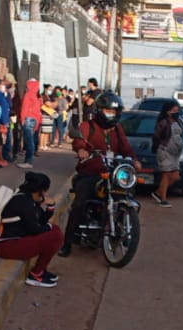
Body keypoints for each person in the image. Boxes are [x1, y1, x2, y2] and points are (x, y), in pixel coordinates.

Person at [59, 91, 139, 257]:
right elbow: (79, 140)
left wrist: (134, 159)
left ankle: (123, 229)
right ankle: (66, 244)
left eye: (114, 112)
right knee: (79, 204)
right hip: (90, 173)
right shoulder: (88, 126)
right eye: (108, 111)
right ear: (99, 110)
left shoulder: (117, 129)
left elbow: (125, 147)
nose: (111, 114)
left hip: (112, 173)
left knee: (129, 195)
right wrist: (81, 149)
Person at [0, 171, 62, 288]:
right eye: (45, 190)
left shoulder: (27, 198)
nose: (46, 193)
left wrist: (50, 207)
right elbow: (34, 229)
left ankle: (41, 270)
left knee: (55, 230)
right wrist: (48, 227)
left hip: (13, 241)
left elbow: (40, 221)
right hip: (7, 246)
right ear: (40, 190)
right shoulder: (24, 203)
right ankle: (36, 275)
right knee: (55, 236)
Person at [151, 99, 183, 208]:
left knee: (175, 177)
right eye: (174, 111)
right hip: (165, 152)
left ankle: (158, 192)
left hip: (175, 155)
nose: (177, 113)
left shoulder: (177, 122)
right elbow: (156, 136)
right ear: (168, 112)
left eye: (177, 111)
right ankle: (163, 199)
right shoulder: (163, 122)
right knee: (166, 175)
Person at [18, 77, 42, 169]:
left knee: (28, 141)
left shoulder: (28, 95)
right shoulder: (35, 96)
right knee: (31, 140)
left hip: (28, 119)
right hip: (34, 119)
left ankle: (28, 161)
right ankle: (29, 160)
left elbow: (24, 108)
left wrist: (22, 119)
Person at [0, 73, 11, 168]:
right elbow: (2, 109)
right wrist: (4, 121)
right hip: (0, 122)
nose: (4, 86)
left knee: (1, 141)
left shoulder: (2, 95)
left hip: (3, 121)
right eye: (2, 85)